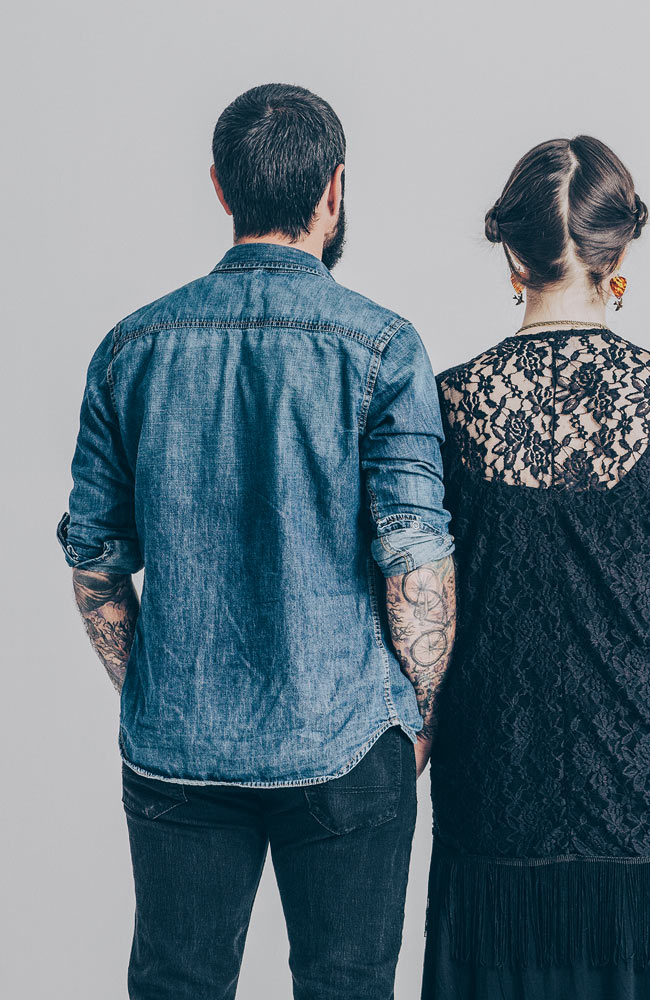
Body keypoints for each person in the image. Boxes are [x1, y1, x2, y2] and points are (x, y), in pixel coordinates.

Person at [60, 83, 455, 1000]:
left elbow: (95, 561)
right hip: (349, 739)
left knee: (176, 985)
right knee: (348, 987)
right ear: (335, 189)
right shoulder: (383, 347)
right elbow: (417, 561)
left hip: (176, 745)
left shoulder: (129, 347)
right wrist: (419, 710)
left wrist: (157, 683)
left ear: (219, 186)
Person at [423, 135, 650, 1000]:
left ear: (513, 257)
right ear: (617, 254)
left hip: (496, 799)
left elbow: (418, 603)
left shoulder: (447, 404)